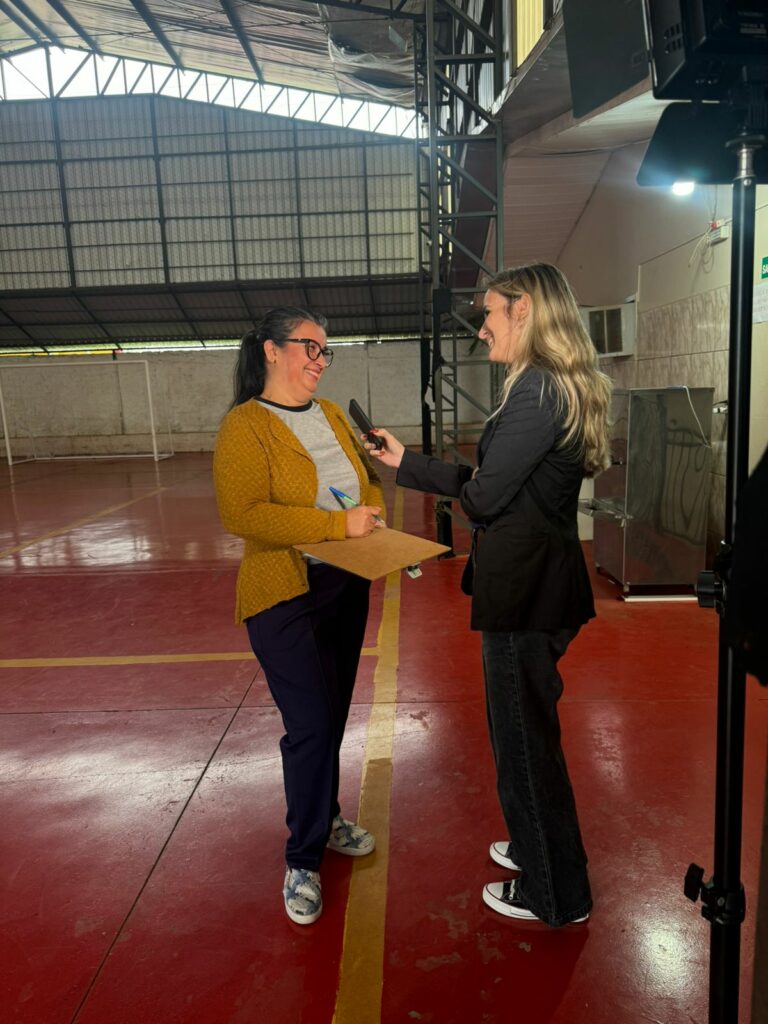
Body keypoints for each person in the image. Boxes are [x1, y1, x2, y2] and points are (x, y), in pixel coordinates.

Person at [364, 263, 612, 926]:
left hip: (526, 591)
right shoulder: (545, 387)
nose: (483, 328)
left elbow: (481, 494)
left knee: (524, 745)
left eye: (491, 315)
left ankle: (554, 893)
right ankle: (541, 849)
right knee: (526, 737)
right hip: (536, 583)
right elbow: (490, 480)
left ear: (525, 310)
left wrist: (453, 487)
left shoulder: (537, 390)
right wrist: (404, 461)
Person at [213, 307, 386, 926]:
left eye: (325, 351)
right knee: (310, 721)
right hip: (283, 592)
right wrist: (336, 524)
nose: (319, 360)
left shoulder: (332, 414)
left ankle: (327, 815)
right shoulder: (245, 426)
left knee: (333, 712)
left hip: (345, 583)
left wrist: (371, 515)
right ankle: (303, 858)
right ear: (270, 350)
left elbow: (363, 481)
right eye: (309, 348)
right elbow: (244, 514)